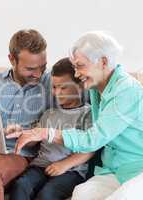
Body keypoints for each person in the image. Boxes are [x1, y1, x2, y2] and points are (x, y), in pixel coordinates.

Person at [8, 31, 143, 200]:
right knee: (81, 194)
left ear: (103, 62)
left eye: (80, 66)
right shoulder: (97, 89)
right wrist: (25, 131)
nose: (76, 74)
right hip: (117, 170)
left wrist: (47, 132)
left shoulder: (126, 90)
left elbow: (93, 139)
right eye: (75, 67)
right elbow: (69, 97)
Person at [0, 29, 53, 200]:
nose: (38, 74)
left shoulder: (53, 83)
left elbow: (72, 115)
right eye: (30, 68)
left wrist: (29, 133)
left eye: (43, 67)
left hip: (23, 156)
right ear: (11, 59)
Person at [9, 58, 94, 200]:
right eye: (54, 87)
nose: (57, 92)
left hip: (70, 171)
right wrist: (22, 134)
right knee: (21, 186)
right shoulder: (49, 114)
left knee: (47, 195)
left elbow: (90, 149)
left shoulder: (88, 114)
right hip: (40, 166)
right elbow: (34, 139)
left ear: (80, 86)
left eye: (63, 87)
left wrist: (64, 165)